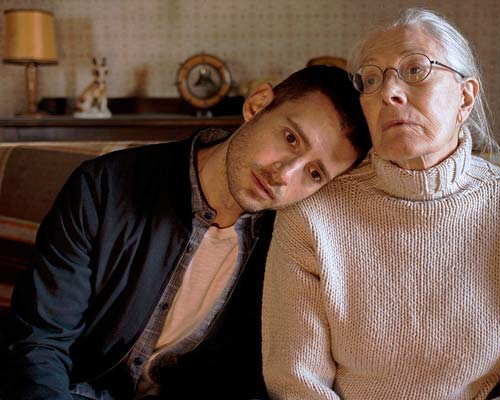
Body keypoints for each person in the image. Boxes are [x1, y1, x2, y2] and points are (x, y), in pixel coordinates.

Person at [262, 8, 500, 399]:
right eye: (370, 80)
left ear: (465, 98)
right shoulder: (312, 212)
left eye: (415, 70)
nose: (388, 92)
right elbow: (296, 382)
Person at [0, 65, 370, 400]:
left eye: (315, 173)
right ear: (257, 104)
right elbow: (39, 343)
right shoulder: (102, 187)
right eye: (290, 138)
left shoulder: (290, 245)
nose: (285, 175)